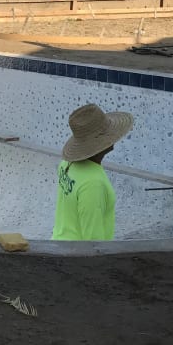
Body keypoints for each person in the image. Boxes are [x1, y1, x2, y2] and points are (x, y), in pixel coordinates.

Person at [52, 103, 134, 241]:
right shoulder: (94, 184)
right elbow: (93, 242)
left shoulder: (66, 164)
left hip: (59, 244)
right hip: (76, 257)